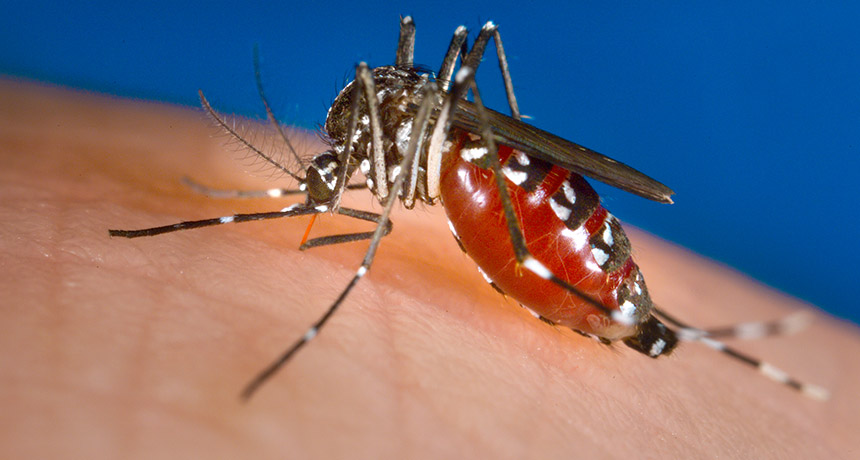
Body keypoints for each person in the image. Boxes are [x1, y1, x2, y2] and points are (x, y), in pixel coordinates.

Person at [2, 79, 855, 458]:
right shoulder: (375, 137)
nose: (322, 191)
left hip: (493, 173)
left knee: (464, 68)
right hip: (471, 157)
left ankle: (593, 290)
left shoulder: (388, 135)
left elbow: (419, 124)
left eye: (322, 180)